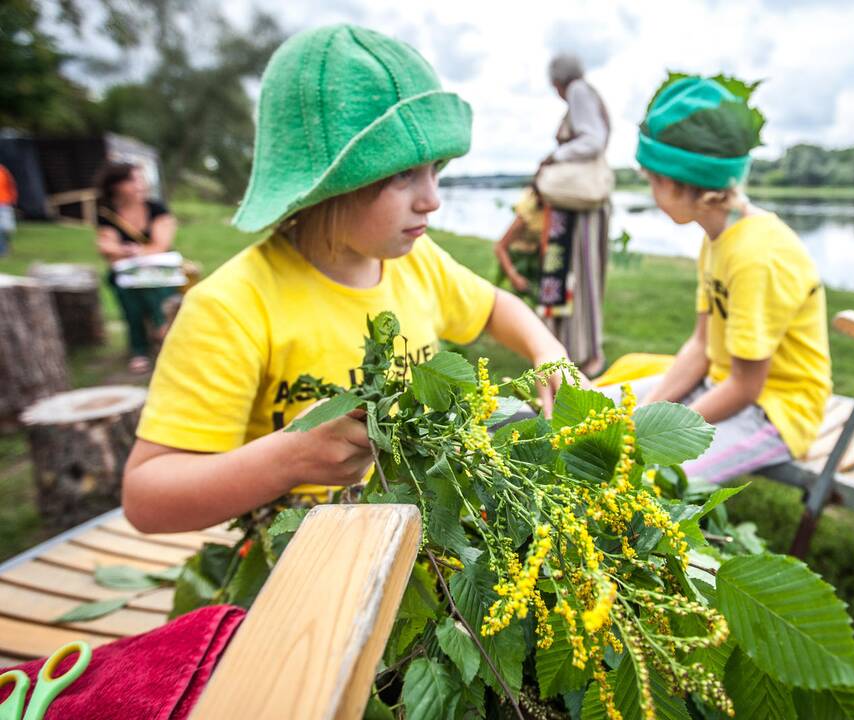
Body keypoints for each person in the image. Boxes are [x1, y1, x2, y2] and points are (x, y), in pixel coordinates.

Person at [122, 25, 571, 534]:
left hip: (419, 537)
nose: (432, 199)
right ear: (327, 181)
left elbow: (495, 307)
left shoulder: (417, 260)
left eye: (436, 170)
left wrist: (545, 350)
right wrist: (289, 458)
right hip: (297, 554)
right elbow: (146, 499)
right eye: (402, 174)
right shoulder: (232, 306)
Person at [624, 75, 831, 483]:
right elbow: (701, 344)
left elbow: (746, 386)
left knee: (652, 479)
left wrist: (654, 432)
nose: (650, 193)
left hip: (776, 409)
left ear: (682, 183)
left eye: (653, 182)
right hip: (717, 384)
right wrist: (643, 415)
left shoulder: (758, 256)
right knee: (605, 414)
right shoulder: (719, 236)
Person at [537, 53, 611, 377]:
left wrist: (555, 156)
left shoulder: (579, 91)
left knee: (579, 277)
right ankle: (563, 346)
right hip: (571, 208)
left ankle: (588, 353)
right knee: (565, 274)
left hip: (579, 208)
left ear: (558, 82)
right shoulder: (585, 94)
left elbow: (592, 141)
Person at [94, 162, 180, 374]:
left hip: (160, 272)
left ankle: (147, 344)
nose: (140, 184)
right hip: (129, 274)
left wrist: (127, 250)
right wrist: (137, 250)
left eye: (140, 179)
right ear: (116, 185)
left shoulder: (156, 208)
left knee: (151, 289)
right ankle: (155, 338)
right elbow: (105, 247)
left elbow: (161, 245)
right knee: (130, 294)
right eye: (133, 179)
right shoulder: (107, 213)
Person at [493, 185, 544, 299]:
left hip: (536, 259)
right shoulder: (527, 213)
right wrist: (513, 276)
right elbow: (500, 247)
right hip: (516, 260)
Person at [0, 164, 16, 257]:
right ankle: (3, 251)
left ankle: (6, 247)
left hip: (4, 203)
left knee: (7, 228)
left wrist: (13, 199)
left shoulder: (2, 170)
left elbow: (10, 185)